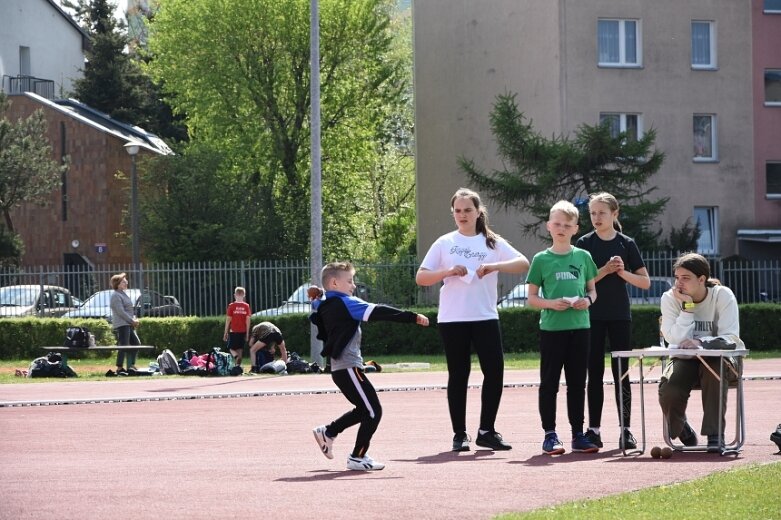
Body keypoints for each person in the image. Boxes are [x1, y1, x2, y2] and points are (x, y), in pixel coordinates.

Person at [416, 188, 529, 452]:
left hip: (485, 316)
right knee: (459, 374)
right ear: (453, 213)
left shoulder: (492, 242)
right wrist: (448, 271)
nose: (463, 215)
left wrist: (494, 266)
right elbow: (421, 277)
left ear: (479, 212)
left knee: (495, 372)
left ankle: (486, 431)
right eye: (458, 211)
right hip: (453, 318)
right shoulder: (445, 243)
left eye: (468, 210)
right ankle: (460, 434)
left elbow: (523, 263)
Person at [311, 261, 429, 471]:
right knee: (374, 411)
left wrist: (320, 293)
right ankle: (357, 457)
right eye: (350, 281)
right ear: (335, 282)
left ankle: (328, 432)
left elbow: (319, 301)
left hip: (342, 369)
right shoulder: (347, 303)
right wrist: (411, 317)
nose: (354, 285)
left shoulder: (326, 302)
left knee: (365, 410)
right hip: (348, 368)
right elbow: (380, 311)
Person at [575, 192, 650, 450]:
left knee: (622, 373)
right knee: (593, 373)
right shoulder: (584, 243)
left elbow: (645, 281)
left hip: (619, 316)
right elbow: (581, 282)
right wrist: (604, 270)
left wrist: (621, 271)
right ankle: (593, 430)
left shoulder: (627, 244)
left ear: (614, 214)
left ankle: (625, 430)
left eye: (602, 213)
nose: (596, 218)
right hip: (592, 316)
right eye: (592, 213)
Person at [527, 200, 599, 455]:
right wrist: (551, 304)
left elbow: (592, 290)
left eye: (567, 225)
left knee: (578, 383)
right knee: (549, 383)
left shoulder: (583, 256)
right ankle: (549, 434)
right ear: (549, 226)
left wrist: (587, 301)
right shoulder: (540, 260)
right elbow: (532, 298)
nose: (561, 228)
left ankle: (578, 434)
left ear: (575, 229)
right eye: (557, 223)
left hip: (580, 328)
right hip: (552, 330)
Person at [658, 252, 745, 452]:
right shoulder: (670, 298)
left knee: (714, 371)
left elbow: (730, 338)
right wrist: (687, 307)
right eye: (677, 277)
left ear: (702, 279)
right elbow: (674, 339)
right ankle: (682, 429)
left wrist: (700, 342)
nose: (679, 283)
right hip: (685, 360)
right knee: (669, 389)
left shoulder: (723, 295)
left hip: (722, 361)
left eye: (686, 278)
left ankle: (715, 435)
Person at [109, 272, 141, 375]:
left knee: (136, 343)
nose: (126, 282)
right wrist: (132, 321)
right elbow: (121, 312)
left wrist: (134, 319)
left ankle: (131, 365)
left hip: (128, 323)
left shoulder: (123, 294)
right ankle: (119, 368)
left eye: (125, 281)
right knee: (124, 345)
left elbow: (129, 310)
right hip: (122, 324)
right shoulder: (116, 295)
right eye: (123, 281)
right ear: (117, 284)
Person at [223, 286, 251, 366]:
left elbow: (228, 320)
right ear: (244, 295)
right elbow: (248, 320)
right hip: (243, 331)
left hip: (233, 331)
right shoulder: (246, 306)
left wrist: (225, 332)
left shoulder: (231, 306)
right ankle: (238, 367)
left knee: (230, 348)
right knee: (240, 349)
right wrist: (247, 333)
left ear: (235, 295)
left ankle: (235, 357)